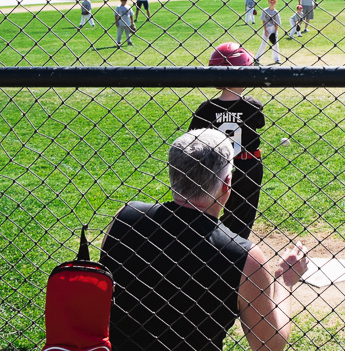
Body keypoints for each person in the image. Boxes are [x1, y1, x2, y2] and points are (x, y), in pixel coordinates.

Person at [100, 128, 308, 351]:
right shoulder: (244, 257)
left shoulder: (125, 218)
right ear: (227, 183)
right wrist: (284, 280)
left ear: (173, 175)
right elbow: (270, 345)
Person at [190, 44, 266, 240]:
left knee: (208, 209)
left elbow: (192, 136)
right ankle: (235, 245)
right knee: (242, 213)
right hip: (246, 166)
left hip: (214, 167)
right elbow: (260, 123)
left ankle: (208, 240)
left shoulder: (206, 109)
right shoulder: (252, 106)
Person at [255, 0, 281, 65]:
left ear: (275, 3)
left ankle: (277, 59)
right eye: (271, 1)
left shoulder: (276, 12)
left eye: (273, 2)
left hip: (273, 29)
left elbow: (277, 23)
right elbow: (263, 21)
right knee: (263, 43)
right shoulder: (265, 10)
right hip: (266, 28)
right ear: (268, 2)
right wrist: (265, 30)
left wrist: (275, 32)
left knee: (275, 44)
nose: (272, 3)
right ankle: (257, 58)